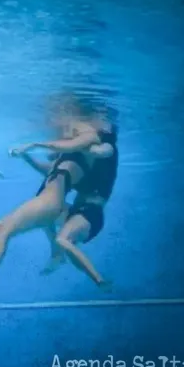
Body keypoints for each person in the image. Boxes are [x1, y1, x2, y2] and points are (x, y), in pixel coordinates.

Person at [0, 112, 112, 300]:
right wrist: (26, 157)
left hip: (49, 204)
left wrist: (35, 144)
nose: (67, 131)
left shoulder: (87, 153)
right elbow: (48, 168)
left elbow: (73, 145)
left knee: (4, 232)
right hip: (42, 202)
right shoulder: (67, 157)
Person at [38, 124, 119, 291]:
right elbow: (50, 170)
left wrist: (73, 147)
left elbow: (100, 151)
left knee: (63, 239)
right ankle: (57, 254)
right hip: (76, 210)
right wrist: (26, 157)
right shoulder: (83, 160)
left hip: (91, 214)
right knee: (43, 213)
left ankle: (99, 280)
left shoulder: (108, 147)